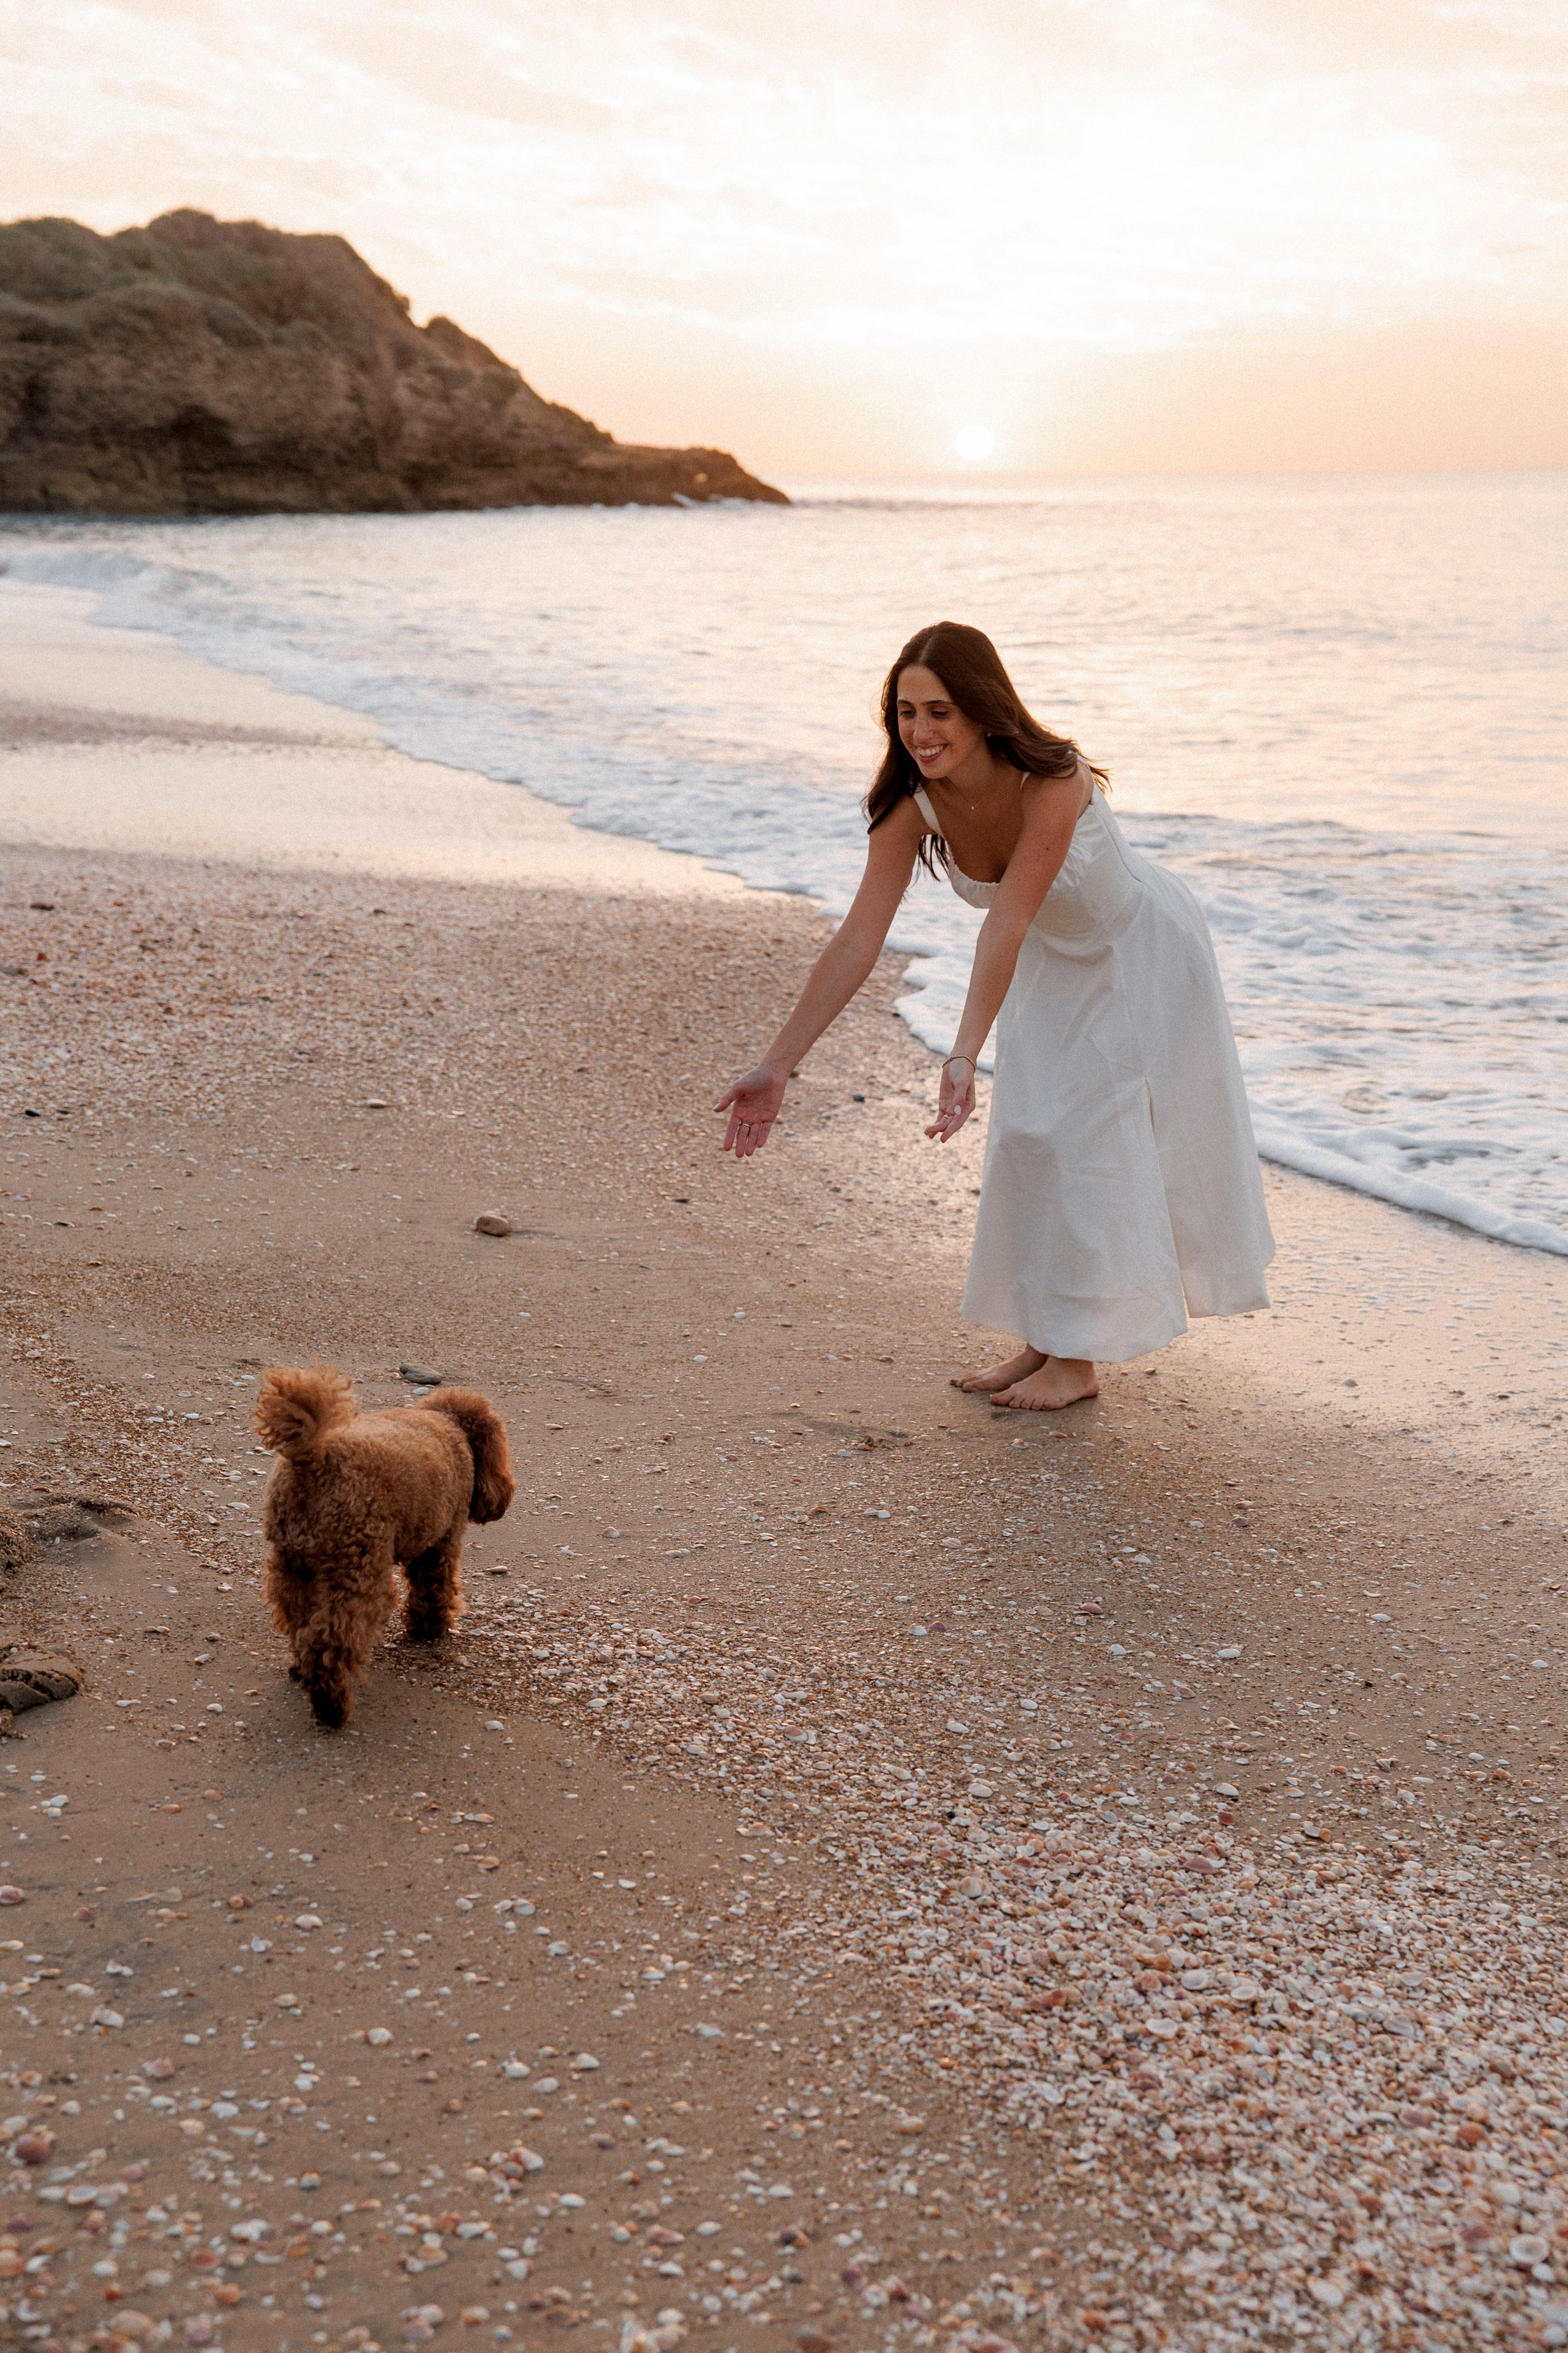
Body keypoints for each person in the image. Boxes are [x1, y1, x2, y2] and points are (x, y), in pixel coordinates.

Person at [715, 621, 1274, 1410]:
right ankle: (1045, 1340)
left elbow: (1004, 918)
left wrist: (960, 1055)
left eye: (939, 711)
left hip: (1136, 953)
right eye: (906, 712)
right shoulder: (912, 804)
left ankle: (1077, 1363)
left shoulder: (1053, 777)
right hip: (1052, 956)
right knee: (1031, 1133)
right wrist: (778, 1063)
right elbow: (857, 939)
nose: (920, 731)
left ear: (981, 710)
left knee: (1090, 1139)